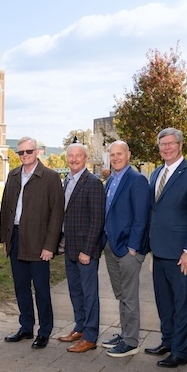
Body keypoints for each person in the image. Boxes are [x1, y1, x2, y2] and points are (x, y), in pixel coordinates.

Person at [145, 128, 187, 368]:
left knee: (181, 303)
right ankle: (168, 341)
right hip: (159, 250)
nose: (167, 148)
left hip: (182, 255)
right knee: (164, 301)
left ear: (180, 145)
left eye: (171, 144)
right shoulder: (156, 173)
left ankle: (180, 351)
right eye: (163, 145)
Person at [0, 136, 64, 349]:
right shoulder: (13, 175)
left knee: (42, 289)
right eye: (21, 152)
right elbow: (6, 208)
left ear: (37, 152)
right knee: (21, 287)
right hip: (16, 237)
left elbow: (56, 214)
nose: (24, 156)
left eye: (28, 151)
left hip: (38, 240)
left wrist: (49, 245)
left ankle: (44, 331)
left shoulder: (50, 177)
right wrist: (5, 238)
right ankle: (26, 327)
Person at [101, 140, 150, 358]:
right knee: (121, 294)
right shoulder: (111, 180)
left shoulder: (137, 180)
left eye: (119, 154)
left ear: (128, 155)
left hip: (128, 249)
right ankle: (124, 333)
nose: (115, 158)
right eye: (112, 155)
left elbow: (142, 216)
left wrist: (134, 246)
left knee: (129, 297)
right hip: (111, 247)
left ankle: (131, 341)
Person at [57, 143, 105, 353]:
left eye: (78, 156)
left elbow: (97, 220)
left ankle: (91, 336)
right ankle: (79, 327)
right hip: (70, 246)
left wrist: (88, 250)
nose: (74, 159)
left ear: (86, 158)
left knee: (89, 294)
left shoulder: (93, 183)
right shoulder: (66, 181)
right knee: (75, 291)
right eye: (71, 156)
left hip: (86, 250)